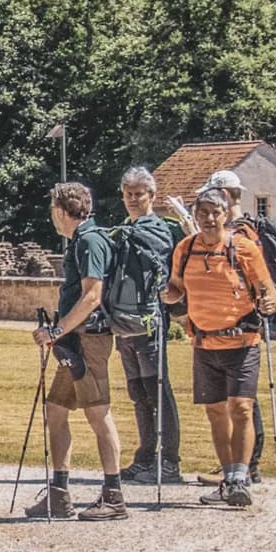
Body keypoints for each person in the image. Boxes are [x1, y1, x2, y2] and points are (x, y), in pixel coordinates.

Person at [164, 186, 276, 509]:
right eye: (203, 213)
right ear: (196, 217)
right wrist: (169, 296)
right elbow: (176, 287)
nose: (209, 219)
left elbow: (266, 288)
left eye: (215, 213)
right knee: (216, 412)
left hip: (242, 342)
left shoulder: (243, 249)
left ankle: (241, 477)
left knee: (241, 408)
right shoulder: (185, 249)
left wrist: (268, 301)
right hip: (203, 343)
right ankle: (229, 479)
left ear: (226, 215)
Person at [28, 184, 126, 521]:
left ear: (60, 211)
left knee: (98, 413)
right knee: (55, 410)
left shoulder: (89, 241)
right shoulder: (84, 240)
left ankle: (114, 496)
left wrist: (56, 330)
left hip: (89, 339)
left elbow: (92, 296)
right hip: (76, 341)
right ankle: (59, 493)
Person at [112, 168, 186, 486]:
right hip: (125, 321)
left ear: (151, 196)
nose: (132, 198)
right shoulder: (124, 229)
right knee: (138, 393)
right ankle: (145, 455)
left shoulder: (158, 229)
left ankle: (168, 461)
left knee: (158, 390)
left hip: (149, 319)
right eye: (128, 193)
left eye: (138, 193)